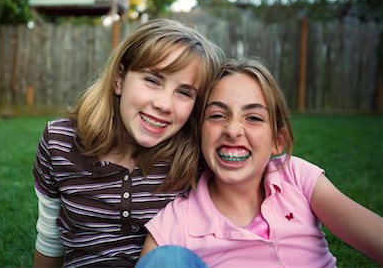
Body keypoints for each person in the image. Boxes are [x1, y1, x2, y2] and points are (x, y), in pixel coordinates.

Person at [139, 58, 383, 267]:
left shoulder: (296, 177)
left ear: (277, 141)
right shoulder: (178, 220)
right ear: (199, 133)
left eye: (253, 117)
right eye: (217, 115)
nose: (233, 130)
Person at [32, 18, 225, 267]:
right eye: (153, 80)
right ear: (119, 79)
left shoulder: (194, 158)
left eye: (184, 92)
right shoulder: (60, 143)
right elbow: (50, 237)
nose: (164, 105)